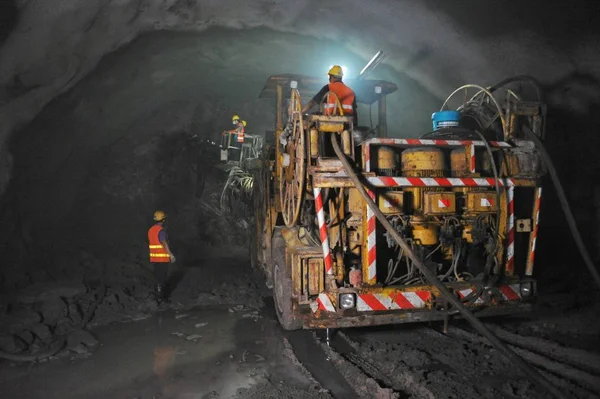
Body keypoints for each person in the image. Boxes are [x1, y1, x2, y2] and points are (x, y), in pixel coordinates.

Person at [148, 210, 176, 302]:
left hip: (154, 258)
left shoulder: (151, 230)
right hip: (162, 258)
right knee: (162, 278)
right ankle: (162, 298)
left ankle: (157, 296)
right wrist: (170, 255)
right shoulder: (161, 231)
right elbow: (164, 243)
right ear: (163, 220)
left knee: (158, 277)